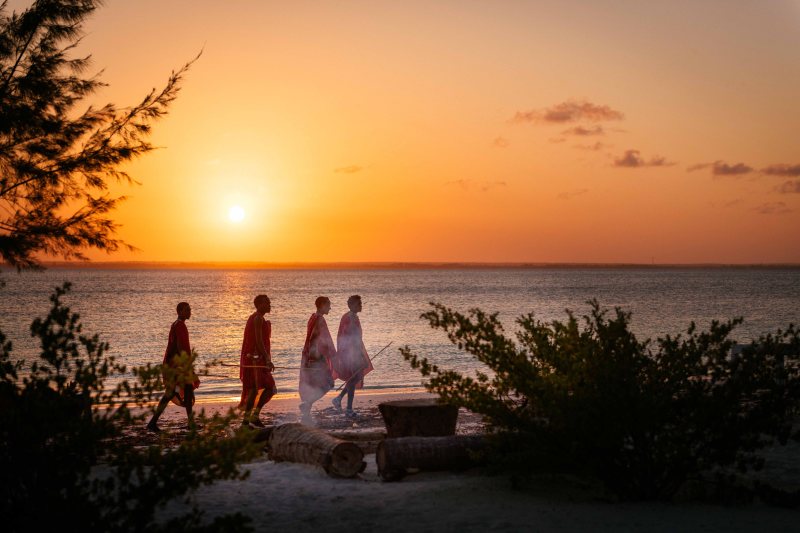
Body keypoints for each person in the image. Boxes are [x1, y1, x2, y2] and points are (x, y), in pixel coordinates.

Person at [147, 301, 200, 433]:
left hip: (174, 364)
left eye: (189, 309)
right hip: (177, 365)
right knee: (171, 393)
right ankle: (153, 423)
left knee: (185, 390)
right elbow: (181, 348)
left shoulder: (176, 325)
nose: (189, 312)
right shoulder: (180, 326)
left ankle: (190, 422)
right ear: (180, 311)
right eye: (187, 310)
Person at [238, 294, 276, 428]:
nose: (270, 305)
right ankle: (251, 418)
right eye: (267, 303)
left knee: (254, 390)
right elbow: (259, 341)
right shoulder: (258, 318)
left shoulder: (257, 318)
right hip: (256, 361)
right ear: (260, 305)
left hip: (255, 360)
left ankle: (248, 420)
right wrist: (267, 358)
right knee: (270, 388)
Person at [332, 295, 373, 417]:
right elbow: (352, 339)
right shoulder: (350, 318)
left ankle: (339, 398)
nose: (361, 306)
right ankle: (349, 409)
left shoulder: (352, 317)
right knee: (353, 377)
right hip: (350, 354)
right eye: (358, 304)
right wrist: (360, 356)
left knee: (355, 377)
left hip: (350, 352)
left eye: (361, 304)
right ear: (351, 305)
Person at [298, 296, 335, 423]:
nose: (330, 307)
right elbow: (313, 337)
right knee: (328, 383)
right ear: (323, 305)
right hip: (315, 357)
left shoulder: (313, 317)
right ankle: (307, 404)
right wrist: (316, 355)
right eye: (328, 304)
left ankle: (306, 415)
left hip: (309, 356)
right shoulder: (319, 319)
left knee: (311, 384)